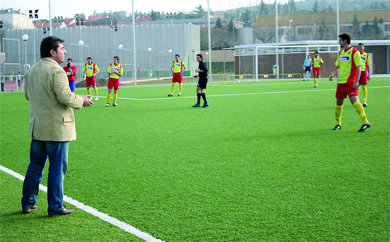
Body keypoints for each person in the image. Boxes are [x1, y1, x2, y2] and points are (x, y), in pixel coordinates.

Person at [21, 36, 94, 217]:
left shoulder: (32, 71)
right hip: (57, 129)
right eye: (62, 48)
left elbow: (28, 96)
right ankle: (55, 206)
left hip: (38, 127)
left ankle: (28, 203)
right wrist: (82, 101)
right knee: (57, 168)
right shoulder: (57, 71)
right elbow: (65, 97)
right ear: (53, 52)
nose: (65, 51)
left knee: (35, 166)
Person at [329, 33, 371, 132]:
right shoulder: (341, 53)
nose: (339, 42)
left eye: (340, 41)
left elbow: (359, 67)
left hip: (350, 81)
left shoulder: (354, 52)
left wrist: (356, 81)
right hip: (341, 82)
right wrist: (332, 74)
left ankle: (366, 122)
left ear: (345, 41)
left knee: (355, 101)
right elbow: (337, 65)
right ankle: (338, 124)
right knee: (338, 103)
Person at [357, 43, 372, 107]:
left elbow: (368, 65)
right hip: (357, 72)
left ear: (364, 47)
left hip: (363, 72)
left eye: (361, 47)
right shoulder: (356, 54)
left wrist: (369, 74)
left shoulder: (366, 55)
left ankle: (365, 101)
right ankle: (357, 101)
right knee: (356, 86)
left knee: (364, 86)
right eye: (359, 47)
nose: (360, 48)